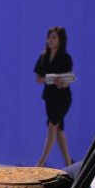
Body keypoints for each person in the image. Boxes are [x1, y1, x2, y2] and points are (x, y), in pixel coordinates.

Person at [33, 26, 74, 167]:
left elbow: (68, 80)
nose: (50, 40)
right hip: (49, 97)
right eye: (49, 37)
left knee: (52, 126)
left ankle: (41, 162)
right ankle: (68, 162)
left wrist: (61, 82)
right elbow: (38, 78)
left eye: (54, 37)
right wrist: (48, 79)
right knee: (58, 130)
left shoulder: (66, 58)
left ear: (60, 40)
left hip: (62, 98)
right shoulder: (44, 56)